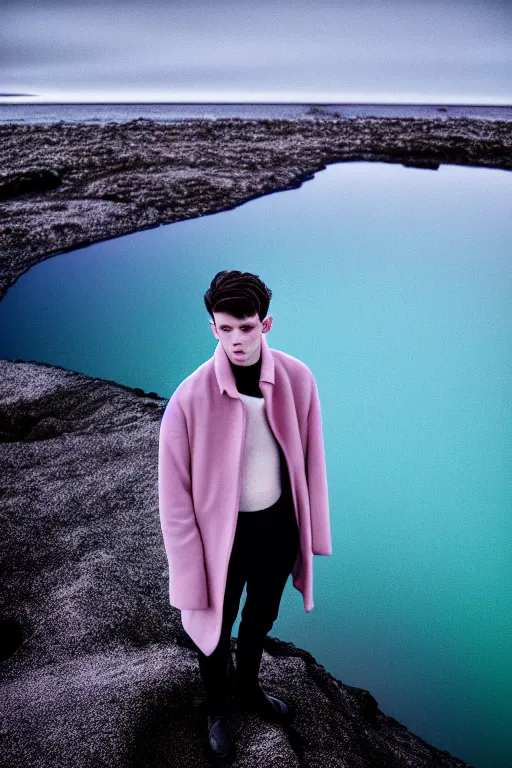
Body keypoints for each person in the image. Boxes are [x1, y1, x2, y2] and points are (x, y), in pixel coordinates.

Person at [158, 270, 332, 762]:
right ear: (213, 328)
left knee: (261, 615)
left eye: (247, 328)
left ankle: (248, 686)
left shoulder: (297, 378)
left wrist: (312, 531)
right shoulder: (189, 399)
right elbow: (173, 499)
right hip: (221, 538)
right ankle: (216, 708)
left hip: (276, 526)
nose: (237, 340)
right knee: (215, 623)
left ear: (266, 324)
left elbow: (311, 460)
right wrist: (187, 573)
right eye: (226, 329)